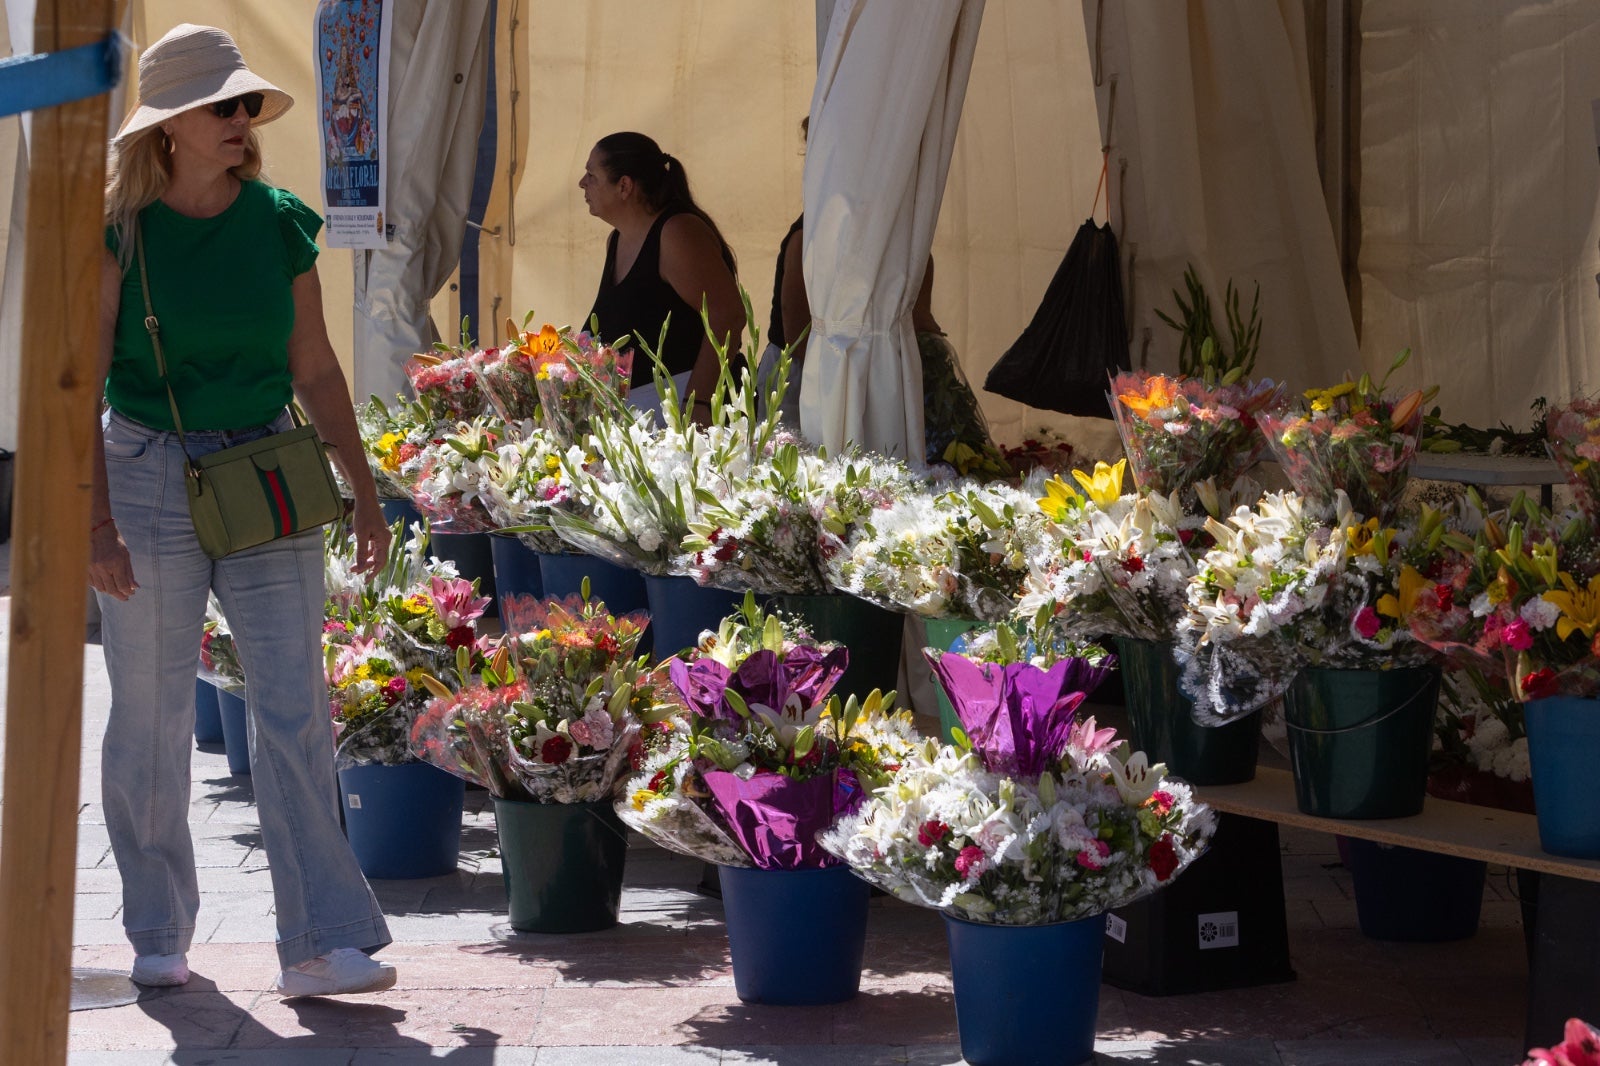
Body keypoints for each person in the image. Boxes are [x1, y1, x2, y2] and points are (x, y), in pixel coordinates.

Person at [88, 24, 396, 997]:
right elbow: (82, 380)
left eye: (247, 106)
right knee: (149, 713)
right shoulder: (117, 233)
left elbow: (315, 366)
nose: (243, 122)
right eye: (223, 107)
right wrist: (95, 522)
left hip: (266, 467)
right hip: (144, 470)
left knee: (295, 708)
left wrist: (362, 489)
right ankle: (157, 926)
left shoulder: (279, 222)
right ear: (169, 125)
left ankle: (321, 940)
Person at [580, 132, 743, 424]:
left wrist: (701, 403)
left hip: (693, 420)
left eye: (591, 175)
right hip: (646, 421)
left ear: (624, 186)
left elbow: (727, 317)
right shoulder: (617, 240)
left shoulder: (677, 233)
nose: (583, 183)